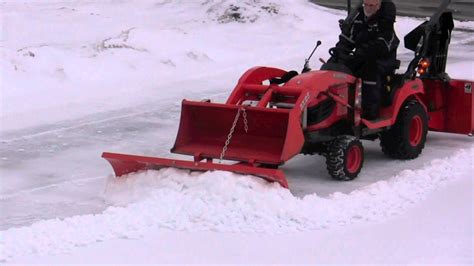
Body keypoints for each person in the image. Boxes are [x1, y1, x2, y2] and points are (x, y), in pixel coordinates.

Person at [331, 0, 399, 120]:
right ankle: (333, 106)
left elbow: (383, 45)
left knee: (368, 71)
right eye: (366, 5)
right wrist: (340, 51)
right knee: (335, 66)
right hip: (361, 57)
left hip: (383, 60)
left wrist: (364, 52)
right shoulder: (359, 19)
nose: (367, 8)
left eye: (371, 5)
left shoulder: (385, 24)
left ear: (378, 7)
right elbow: (348, 38)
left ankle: (369, 111)